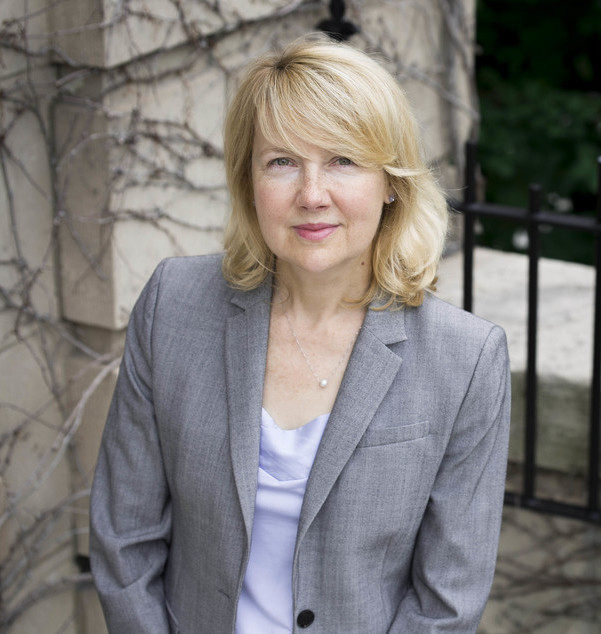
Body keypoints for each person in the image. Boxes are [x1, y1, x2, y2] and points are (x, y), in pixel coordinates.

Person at [89, 35, 511, 634]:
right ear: (249, 180)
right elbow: (123, 540)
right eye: (282, 162)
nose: (312, 196)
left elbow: (448, 601)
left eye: (343, 160)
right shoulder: (172, 305)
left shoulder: (465, 359)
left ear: (391, 181)